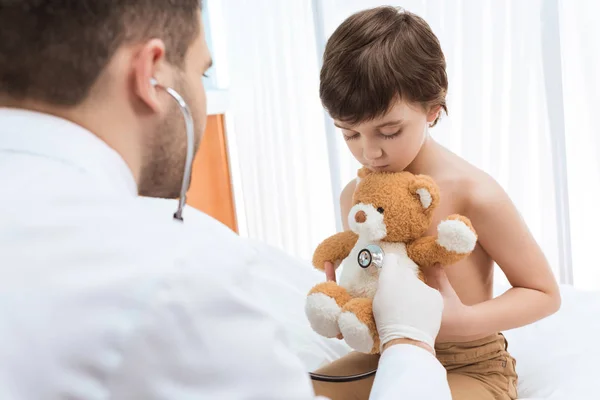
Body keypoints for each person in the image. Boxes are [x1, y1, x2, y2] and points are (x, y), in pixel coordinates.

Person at [0, 1, 452, 398]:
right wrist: (409, 343)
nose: (369, 150)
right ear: (151, 74)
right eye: (202, 71)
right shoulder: (182, 269)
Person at [311, 6, 562, 400]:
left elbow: (544, 293)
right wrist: (354, 310)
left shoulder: (473, 192)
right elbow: (375, 274)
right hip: (388, 356)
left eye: (389, 131)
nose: (369, 152)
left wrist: (463, 322)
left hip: (469, 365)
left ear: (433, 110)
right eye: (349, 134)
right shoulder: (356, 196)